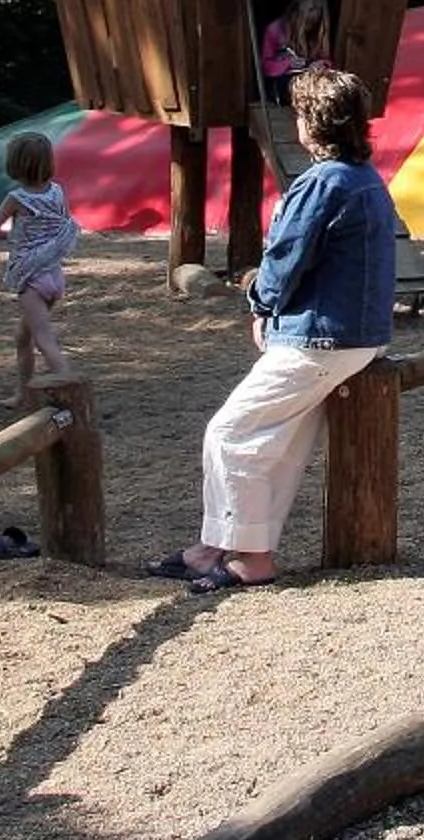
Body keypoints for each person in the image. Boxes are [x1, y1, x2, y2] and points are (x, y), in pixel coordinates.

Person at [148, 68, 396, 593]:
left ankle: (251, 558)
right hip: (356, 334)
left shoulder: (322, 182)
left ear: (311, 122)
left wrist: (261, 304)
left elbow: (285, 258)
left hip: (320, 337)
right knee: (276, 441)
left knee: (231, 433)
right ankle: (215, 548)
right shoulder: (366, 179)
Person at [0, 130, 79, 408]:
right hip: (53, 275)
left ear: (15, 164)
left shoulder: (17, 198)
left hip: (31, 280)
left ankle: (70, 387)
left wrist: (12, 236)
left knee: (44, 340)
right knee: (22, 337)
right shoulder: (58, 191)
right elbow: (62, 223)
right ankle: (23, 393)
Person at [260, 0, 332, 106]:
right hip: (284, 86)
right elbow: (265, 67)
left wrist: (322, 64)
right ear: (295, 14)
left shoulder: (318, 32)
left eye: (314, 23)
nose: (310, 27)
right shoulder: (274, 30)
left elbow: (327, 59)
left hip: (312, 82)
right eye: (307, 22)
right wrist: (287, 63)